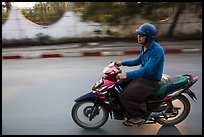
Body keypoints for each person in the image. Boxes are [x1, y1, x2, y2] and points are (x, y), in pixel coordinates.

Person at [115, 23, 165, 127]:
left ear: (149, 38)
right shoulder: (144, 47)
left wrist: (127, 75)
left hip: (150, 80)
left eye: (141, 35)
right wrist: (122, 63)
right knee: (119, 85)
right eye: (138, 34)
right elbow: (137, 61)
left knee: (125, 96)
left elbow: (147, 70)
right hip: (143, 76)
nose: (138, 37)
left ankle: (138, 117)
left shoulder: (157, 50)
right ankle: (127, 111)